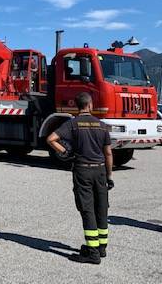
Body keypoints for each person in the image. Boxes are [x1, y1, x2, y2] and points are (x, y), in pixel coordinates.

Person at [47, 92, 114, 264]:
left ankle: (92, 253)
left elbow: (51, 139)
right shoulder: (102, 126)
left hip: (82, 170)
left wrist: (64, 151)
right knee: (101, 207)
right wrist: (109, 175)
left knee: (87, 209)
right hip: (99, 171)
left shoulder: (72, 124)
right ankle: (101, 248)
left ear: (77, 106)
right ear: (90, 105)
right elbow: (108, 153)